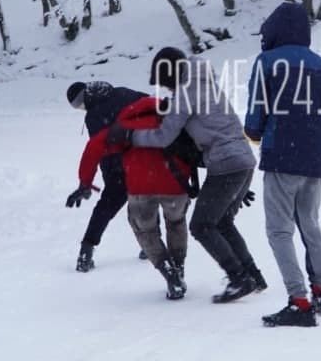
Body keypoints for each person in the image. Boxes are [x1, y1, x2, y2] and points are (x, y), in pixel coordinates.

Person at [108, 47, 266, 303]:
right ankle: (253, 276)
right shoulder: (206, 83)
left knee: (201, 225)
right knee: (223, 221)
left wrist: (130, 135)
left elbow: (163, 137)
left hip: (226, 164)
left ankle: (239, 278)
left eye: (164, 84)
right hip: (243, 161)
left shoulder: (186, 93)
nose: (166, 90)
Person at [244, 2, 321, 328]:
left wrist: (254, 133)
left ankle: (299, 302)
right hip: (314, 157)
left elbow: (257, 111)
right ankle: (320, 290)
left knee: (279, 230)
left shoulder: (267, 62)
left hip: (281, 155)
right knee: (310, 224)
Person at [75, 95, 195, 300]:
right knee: (176, 222)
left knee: (145, 230)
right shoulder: (174, 120)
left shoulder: (126, 124)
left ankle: (169, 273)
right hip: (176, 185)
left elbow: (94, 147)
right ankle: (179, 266)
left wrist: (85, 181)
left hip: (142, 187)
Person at [64, 81, 145, 272]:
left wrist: (85, 183)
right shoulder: (123, 92)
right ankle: (149, 245)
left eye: (79, 103)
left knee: (105, 208)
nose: (82, 107)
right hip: (141, 159)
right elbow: (149, 103)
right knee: (143, 203)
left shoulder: (93, 116)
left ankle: (86, 251)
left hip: (115, 167)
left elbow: (96, 149)